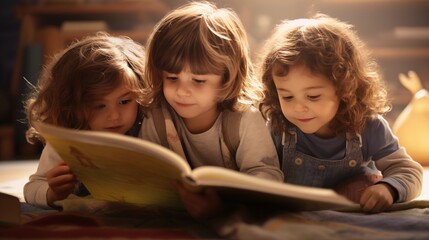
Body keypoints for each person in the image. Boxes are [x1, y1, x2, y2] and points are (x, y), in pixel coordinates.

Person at [258, 14, 423, 213]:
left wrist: (388, 188)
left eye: (312, 96)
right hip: (296, 218)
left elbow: (408, 171)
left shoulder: (369, 127)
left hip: (353, 218)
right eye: (287, 97)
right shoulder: (277, 126)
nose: (298, 108)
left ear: (345, 88)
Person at [141, 1, 283, 219]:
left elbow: (267, 176)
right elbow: (144, 170)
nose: (182, 91)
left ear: (227, 77)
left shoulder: (243, 119)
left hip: (231, 214)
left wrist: (225, 208)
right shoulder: (158, 116)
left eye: (198, 81)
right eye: (172, 77)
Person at [24, 32, 146, 209]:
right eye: (98, 106)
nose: (114, 116)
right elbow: (32, 189)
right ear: (71, 105)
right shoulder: (67, 142)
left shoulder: (147, 129)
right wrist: (52, 192)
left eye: (125, 102)